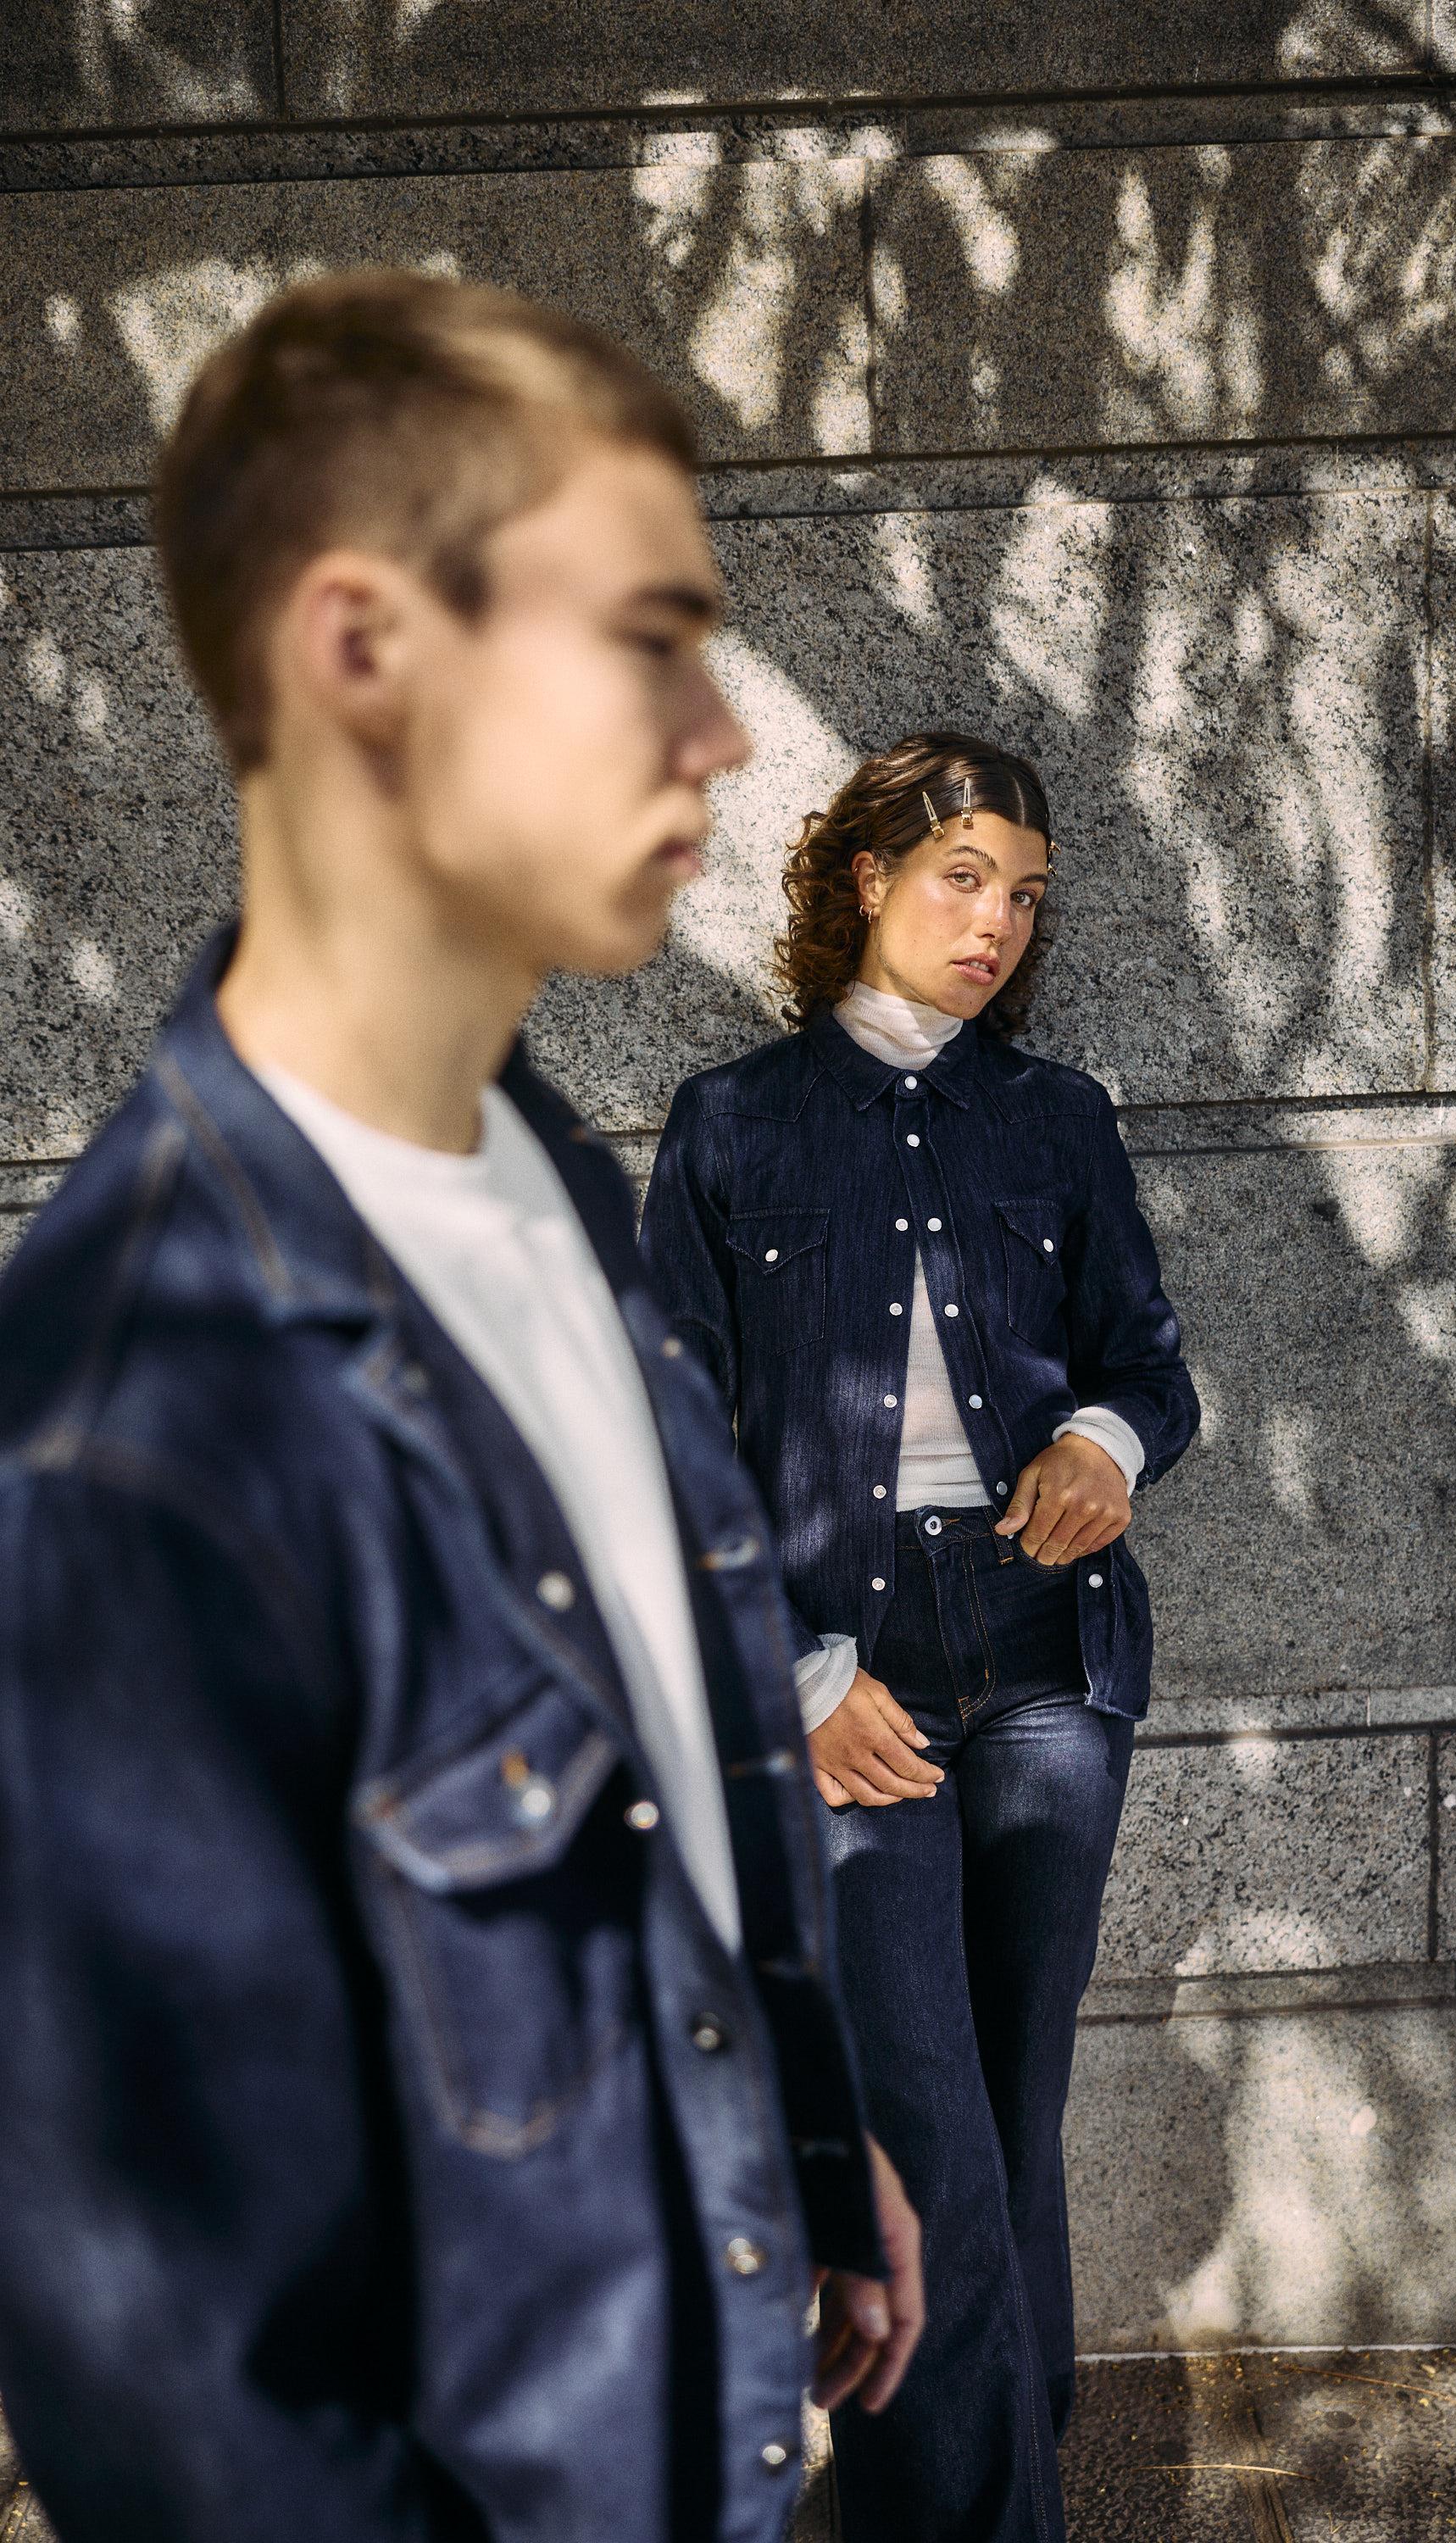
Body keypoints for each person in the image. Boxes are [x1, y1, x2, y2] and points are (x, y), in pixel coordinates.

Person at [0, 270, 923, 2543]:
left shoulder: (554, 1180)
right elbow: (188, 2401)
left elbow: (666, 1771)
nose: (721, 729)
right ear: (359, 653)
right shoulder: (135, 1421)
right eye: (648, 638)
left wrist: (810, 2142)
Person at [640, 732, 1199, 2542]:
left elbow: (1147, 1367)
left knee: (1005, 2108)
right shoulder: (730, 1126)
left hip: (1044, 1657)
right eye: (961, 875)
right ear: (866, 879)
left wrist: (1104, 1448)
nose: (997, 922)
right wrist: (792, 1683)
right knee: (926, 2137)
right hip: (841, 1674)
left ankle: (967, 2461)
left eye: (1023, 892)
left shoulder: (1057, 1120)